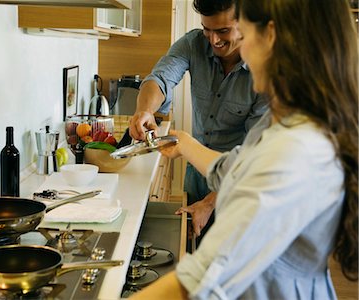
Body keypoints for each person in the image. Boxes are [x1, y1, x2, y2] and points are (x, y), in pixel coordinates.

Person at [130, 0, 358, 298]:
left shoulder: (294, 149)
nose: (244, 50)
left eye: (245, 35)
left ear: (271, 36)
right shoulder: (292, 120)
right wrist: (185, 144)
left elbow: (202, 279)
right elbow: (236, 169)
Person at [129, 0, 268, 244]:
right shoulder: (194, 43)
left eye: (223, 31)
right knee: (194, 248)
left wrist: (209, 203)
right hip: (196, 176)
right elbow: (160, 78)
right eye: (207, 29)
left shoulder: (263, 70)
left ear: (245, 23)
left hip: (237, 186)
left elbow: (254, 155)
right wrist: (145, 111)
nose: (213, 40)